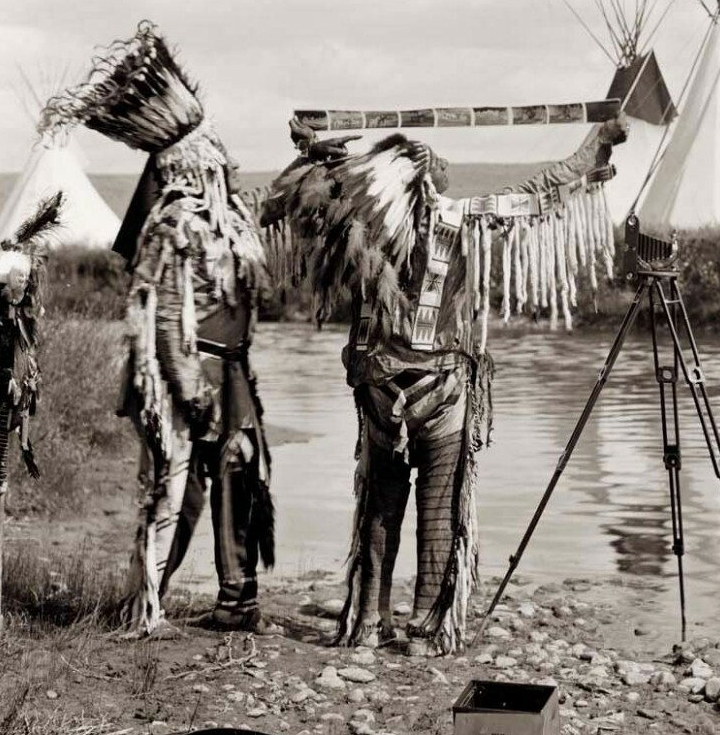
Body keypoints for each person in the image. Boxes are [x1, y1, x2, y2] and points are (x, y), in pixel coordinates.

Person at [265, 115, 624, 651]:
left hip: (379, 389)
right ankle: (428, 628)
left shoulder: (354, 221)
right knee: (439, 505)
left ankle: (368, 621)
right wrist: (594, 150)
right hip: (442, 388)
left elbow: (287, 203)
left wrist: (313, 151)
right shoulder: (461, 220)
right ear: (428, 182)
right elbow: (543, 192)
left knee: (381, 504)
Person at [47, 23, 276, 636]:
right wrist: (190, 392)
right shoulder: (173, 224)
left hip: (229, 367)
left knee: (236, 472)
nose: (226, 166)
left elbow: (255, 263)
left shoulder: (228, 220)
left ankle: (236, 599)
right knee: (175, 488)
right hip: (188, 375)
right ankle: (146, 603)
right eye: (216, 161)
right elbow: (165, 320)